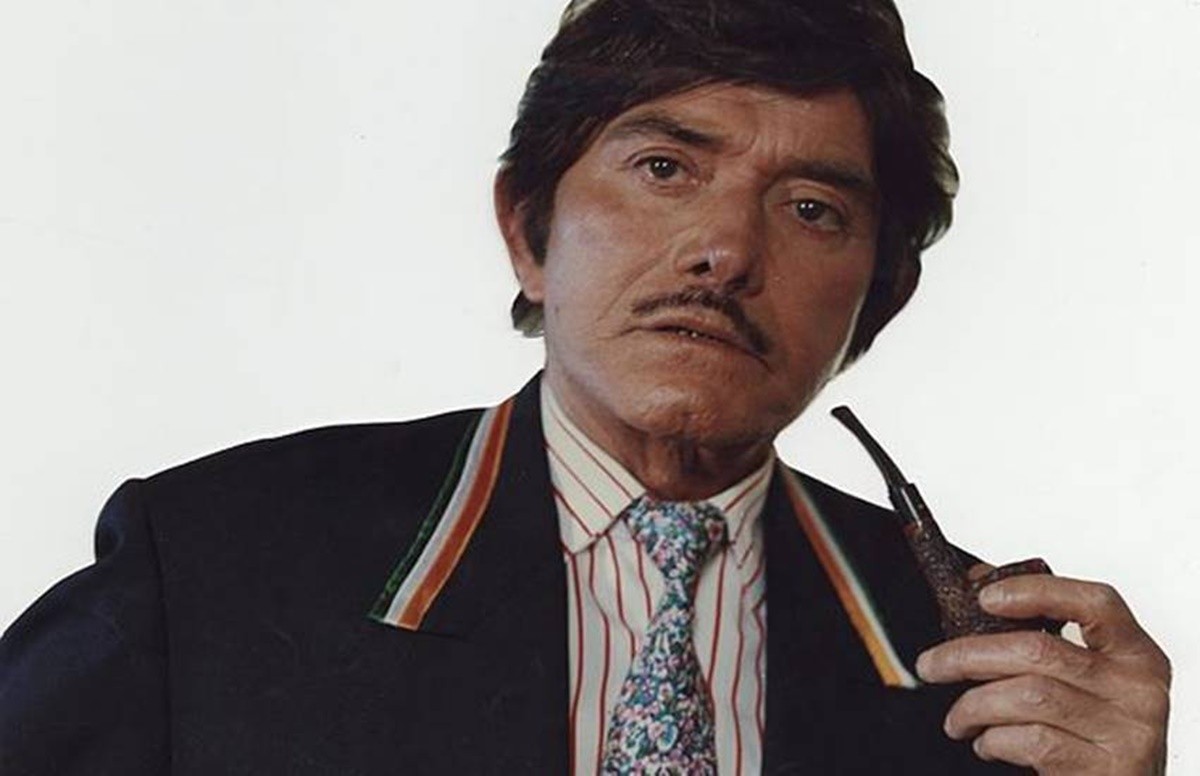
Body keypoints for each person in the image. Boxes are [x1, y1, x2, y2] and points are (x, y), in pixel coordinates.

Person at [0, 0, 1171, 774]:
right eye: (664, 166)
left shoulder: (988, 668)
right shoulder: (213, 562)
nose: (726, 251)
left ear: (877, 298)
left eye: (813, 208)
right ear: (528, 229)